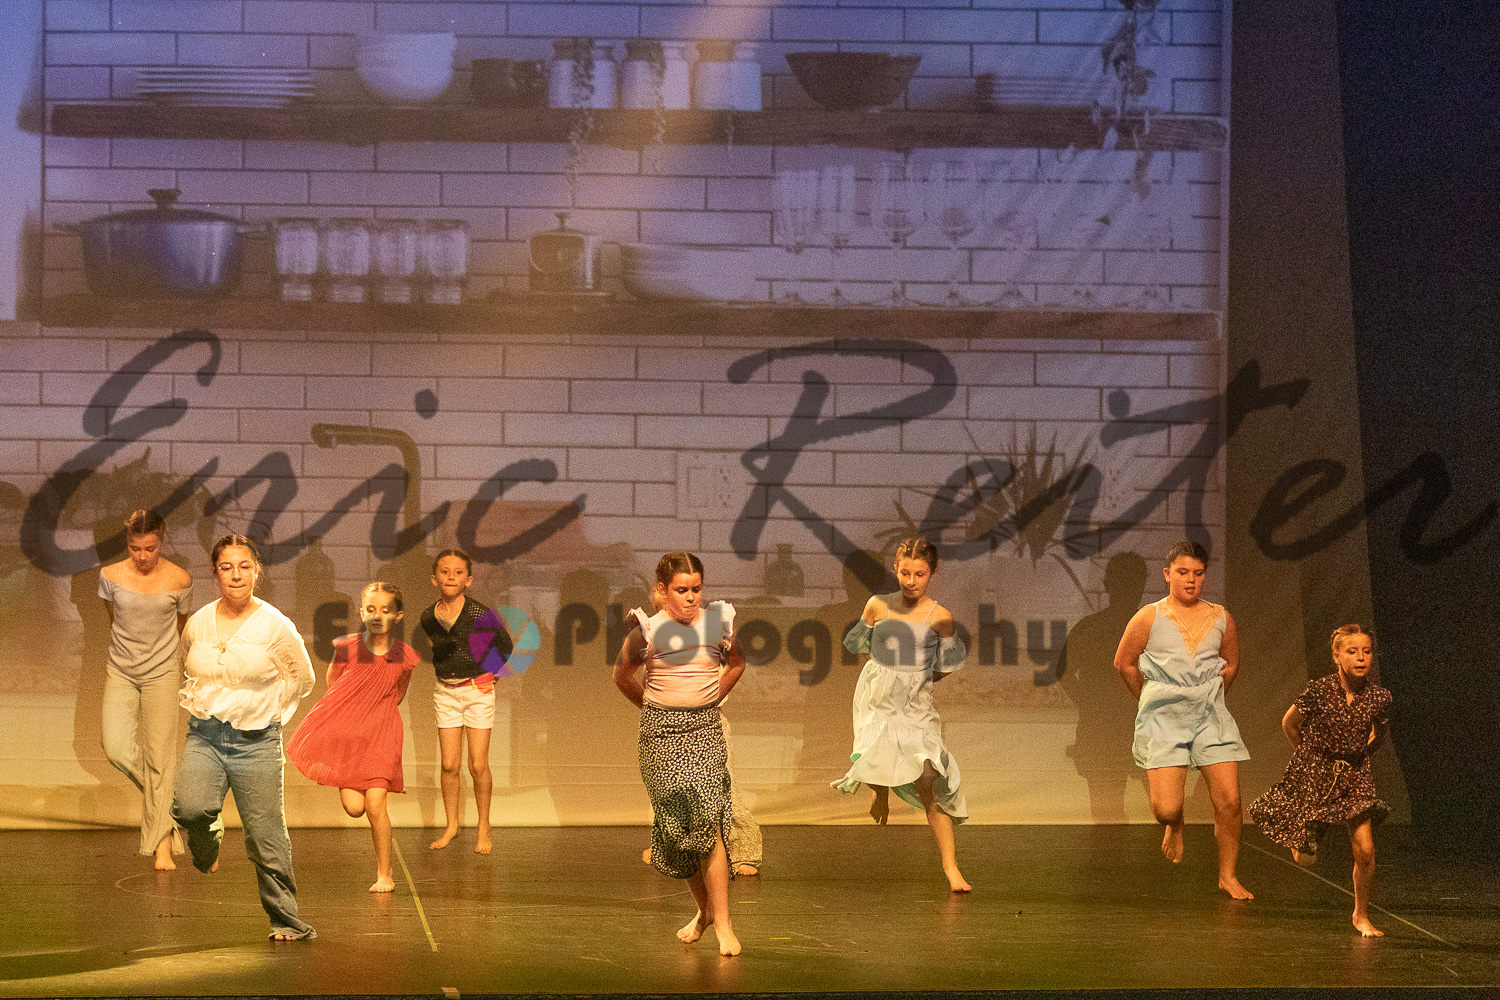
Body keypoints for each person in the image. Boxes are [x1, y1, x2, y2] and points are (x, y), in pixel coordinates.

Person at [172, 535, 317, 940]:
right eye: (226, 567)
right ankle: (208, 844)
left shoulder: (275, 625)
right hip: (205, 735)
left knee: (266, 836)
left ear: (257, 572)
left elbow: (303, 679)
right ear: (215, 573)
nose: (235, 575)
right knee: (190, 809)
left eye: (244, 566)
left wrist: (270, 712)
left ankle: (285, 920)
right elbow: (187, 662)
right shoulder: (200, 621)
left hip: (256, 742)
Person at [613, 551, 746, 956]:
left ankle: (723, 923)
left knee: (708, 820)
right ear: (663, 590)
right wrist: (654, 708)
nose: (690, 597)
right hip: (660, 736)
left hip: (704, 731)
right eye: (681, 590)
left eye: (696, 589)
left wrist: (710, 698)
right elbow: (622, 675)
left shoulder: (717, 623)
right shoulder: (648, 630)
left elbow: (737, 664)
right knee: (679, 827)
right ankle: (705, 911)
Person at [1113, 540, 1253, 900]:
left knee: (1230, 801)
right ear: (1167, 574)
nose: (1191, 580)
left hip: (1209, 715)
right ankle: (1175, 824)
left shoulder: (1221, 617)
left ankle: (1228, 875)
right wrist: (1150, 699)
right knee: (1165, 809)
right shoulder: (1149, 616)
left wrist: (1212, 696)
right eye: (1183, 572)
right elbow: (1124, 663)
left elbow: (1231, 663)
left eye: (1198, 573)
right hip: (1164, 717)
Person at [833, 538, 971, 893]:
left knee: (928, 777)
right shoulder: (878, 605)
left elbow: (948, 663)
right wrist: (884, 674)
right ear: (895, 569)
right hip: (879, 698)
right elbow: (860, 646)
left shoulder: (939, 616)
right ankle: (880, 792)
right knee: (874, 750)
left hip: (915, 705)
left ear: (933, 573)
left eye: (919, 574)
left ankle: (951, 866)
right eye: (905, 573)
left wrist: (917, 677)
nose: (911, 581)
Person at [1251, 624, 1391, 936]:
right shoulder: (1319, 690)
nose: (1361, 658)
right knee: (1305, 858)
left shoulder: (1378, 697)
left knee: (1365, 849)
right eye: (1352, 651)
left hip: (1355, 776)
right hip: (1318, 774)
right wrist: (1309, 759)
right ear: (1337, 656)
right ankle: (1301, 837)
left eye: (1367, 651)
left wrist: (1359, 756)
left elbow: (1378, 734)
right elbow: (1289, 724)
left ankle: (1360, 915)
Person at [287, 582, 420, 893]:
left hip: (382, 733)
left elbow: (398, 693)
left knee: (375, 804)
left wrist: (377, 713)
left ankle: (385, 873)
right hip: (349, 734)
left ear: (398, 616)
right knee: (354, 807)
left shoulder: (404, 655)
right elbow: (334, 684)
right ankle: (346, 771)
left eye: (385, 610)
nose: (377, 616)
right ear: (362, 613)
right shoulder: (348, 647)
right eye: (371, 609)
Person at [98, 509, 194, 870]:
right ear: (127, 543)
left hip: (162, 674)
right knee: (116, 748)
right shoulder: (110, 576)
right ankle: (169, 805)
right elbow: (115, 618)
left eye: (150, 548)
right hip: (121, 671)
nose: (142, 556)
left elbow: (180, 626)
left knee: (160, 758)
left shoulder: (179, 579)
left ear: (162, 541)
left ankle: (162, 848)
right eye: (135, 548)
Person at [419, 549, 507, 854]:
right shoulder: (429, 616)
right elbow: (443, 651)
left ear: (468, 580)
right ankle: (452, 826)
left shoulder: (479, 614)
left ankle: (483, 827)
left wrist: (492, 674)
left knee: (478, 764)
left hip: (476, 693)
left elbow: (504, 643)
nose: (451, 577)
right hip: (445, 692)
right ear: (434, 578)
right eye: (445, 572)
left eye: (458, 573)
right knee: (449, 765)